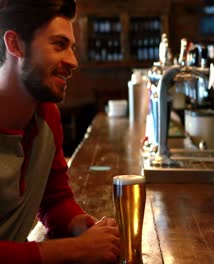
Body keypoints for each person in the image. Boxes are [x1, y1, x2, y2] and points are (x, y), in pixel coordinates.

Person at [0, 0, 120, 263]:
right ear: (15, 45)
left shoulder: (47, 116)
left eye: (72, 48)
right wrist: (77, 249)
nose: (73, 61)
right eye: (59, 45)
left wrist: (83, 228)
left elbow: (53, 200)